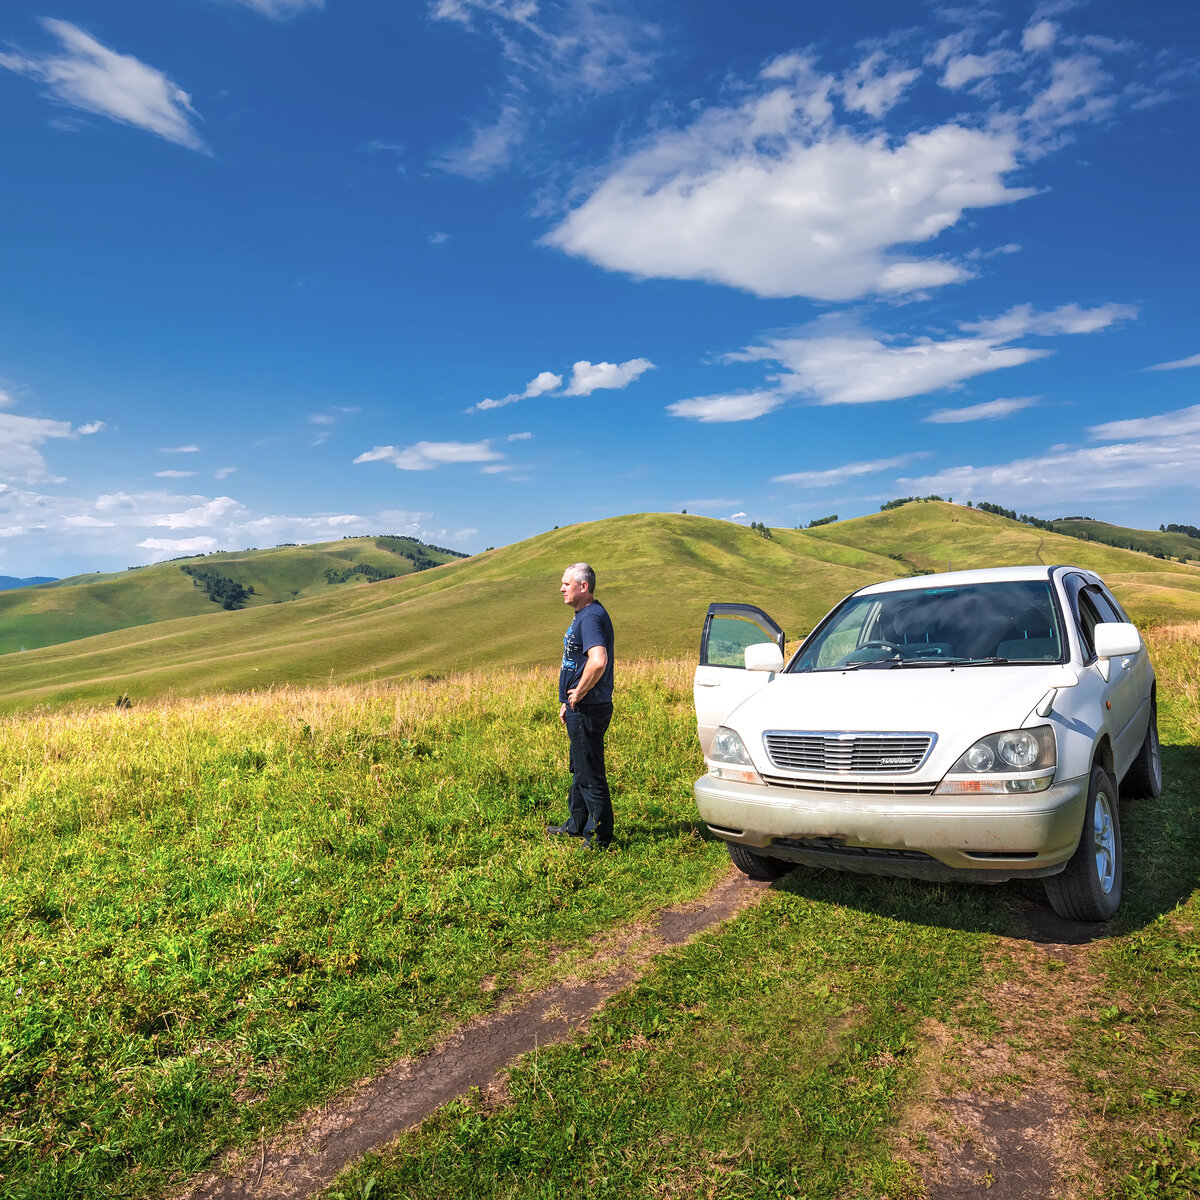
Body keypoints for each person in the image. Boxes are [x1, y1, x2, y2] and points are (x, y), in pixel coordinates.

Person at [546, 562, 615, 848]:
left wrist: (578, 694)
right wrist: (567, 701)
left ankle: (600, 837)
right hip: (579, 707)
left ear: (583, 586)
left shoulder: (590, 617)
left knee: (590, 773)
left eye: (566, 583)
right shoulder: (586, 614)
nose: (562, 588)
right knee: (579, 769)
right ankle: (576, 824)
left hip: (588, 708)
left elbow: (598, 660)